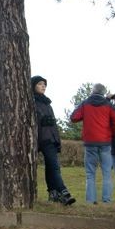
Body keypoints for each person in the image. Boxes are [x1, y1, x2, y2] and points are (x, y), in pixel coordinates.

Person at [70, 83, 115, 204]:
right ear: (104, 93)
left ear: (92, 91)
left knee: (90, 173)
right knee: (107, 173)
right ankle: (106, 200)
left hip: (90, 142)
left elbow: (73, 117)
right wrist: (110, 133)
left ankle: (90, 201)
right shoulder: (108, 105)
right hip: (105, 142)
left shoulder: (85, 103)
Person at [31, 76, 76, 206]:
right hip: (42, 138)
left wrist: (57, 140)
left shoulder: (47, 103)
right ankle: (63, 190)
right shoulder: (31, 102)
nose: (43, 86)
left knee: (52, 167)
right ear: (33, 85)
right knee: (54, 167)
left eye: (44, 84)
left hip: (50, 138)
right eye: (40, 84)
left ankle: (54, 193)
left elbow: (53, 124)